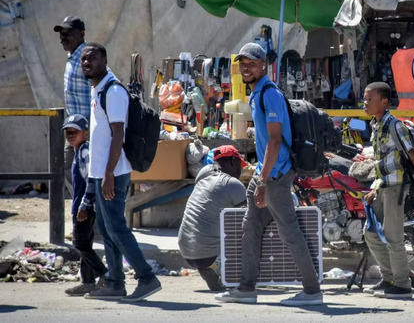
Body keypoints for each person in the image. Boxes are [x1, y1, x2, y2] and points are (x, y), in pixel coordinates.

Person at [215, 43, 322, 306]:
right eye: (242, 63)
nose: (246, 67)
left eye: (251, 62)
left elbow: (275, 141)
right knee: (250, 226)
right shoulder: (256, 93)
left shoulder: (269, 94)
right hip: (266, 172)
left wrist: (263, 180)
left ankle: (312, 291)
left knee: (289, 231)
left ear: (264, 64)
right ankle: (246, 287)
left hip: (275, 175)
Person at [80, 42, 161, 301]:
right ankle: (115, 281)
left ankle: (146, 277)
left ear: (104, 60)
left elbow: (118, 135)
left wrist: (108, 174)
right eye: (83, 59)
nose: (86, 63)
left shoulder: (113, 91)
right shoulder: (97, 89)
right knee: (106, 227)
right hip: (102, 172)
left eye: (91, 58)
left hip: (113, 172)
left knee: (116, 227)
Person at [362, 81, 414, 299]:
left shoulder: (394, 125)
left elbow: (412, 155)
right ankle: (388, 278)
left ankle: (402, 284)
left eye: (370, 99)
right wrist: (374, 188)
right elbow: (382, 162)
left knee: (393, 237)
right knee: (370, 233)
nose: (365, 103)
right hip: (382, 186)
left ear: (384, 102)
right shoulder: (375, 124)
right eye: (365, 98)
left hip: (396, 188)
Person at [178, 145, 248, 291]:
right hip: (208, 251)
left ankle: (211, 267)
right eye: (239, 165)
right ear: (232, 162)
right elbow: (252, 217)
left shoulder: (203, 175)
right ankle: (232, 273)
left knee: (219, 220)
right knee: (251, 228)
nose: (240, 171)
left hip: (186, 250)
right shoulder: (231, 183)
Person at [62, 114, 107, 297]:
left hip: (84, 208)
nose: (70, 134)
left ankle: (104, 275)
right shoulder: (78, 150)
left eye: (75, 131)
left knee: (80, 244)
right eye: (68, 132)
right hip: (81, 206)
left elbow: (91, 178)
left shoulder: (85, 152)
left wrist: (84, 206)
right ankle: (87, 282)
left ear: (86, 133)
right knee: (85, 244)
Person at [54, 16, 89, 197]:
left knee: (85, 171)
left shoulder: (88, 57)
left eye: (68, 33)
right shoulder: (71, 57)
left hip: (87, 128)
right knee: (66, 168)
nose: (63, 37)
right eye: (61, 33)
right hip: (74, 128)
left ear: (81, 34)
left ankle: (89, 207)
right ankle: (85, 206)